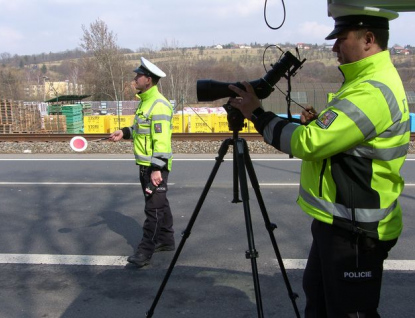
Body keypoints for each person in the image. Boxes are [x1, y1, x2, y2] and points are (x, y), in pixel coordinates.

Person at [228, 4, 410, 317]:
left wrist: (257, 114)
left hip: (355, 229)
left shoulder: (371, 90)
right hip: (338, 221)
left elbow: (309, 144)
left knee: (350, 311)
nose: (335, 46)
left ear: (368, 38)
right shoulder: (362, 81)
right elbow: (340, 138)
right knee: (320, 300)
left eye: (341, 38)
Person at [110, 57, 175, 268]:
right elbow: (141, 131)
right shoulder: (145, 102)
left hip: (155, 167)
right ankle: (166, 240)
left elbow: (162, 141)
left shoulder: (159, 105)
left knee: (153, 209)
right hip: (145, 166)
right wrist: (125, 132)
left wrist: (157, 168)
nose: (135, 79)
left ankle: (145, 251)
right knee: (159, 204)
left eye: (138, 76)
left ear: (149, 79)